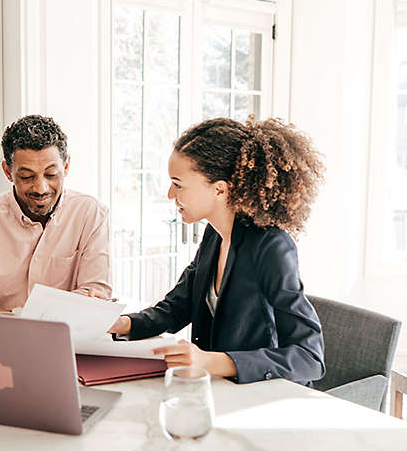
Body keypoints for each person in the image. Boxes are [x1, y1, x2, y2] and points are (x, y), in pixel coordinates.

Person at [109, 117, 325, 385]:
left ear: (220, 189)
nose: (169, 194)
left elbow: (309, 358)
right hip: (219, 391)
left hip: (262, 395)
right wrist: (121, 324)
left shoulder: (270, 246)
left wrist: (212, 362)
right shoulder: (215, 234)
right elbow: (178, 307)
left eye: (178, 184)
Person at [0, 114, 110, 313]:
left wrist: (3, 313)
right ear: (7, 171)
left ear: (66, 167)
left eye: (51, 174)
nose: (41, 188)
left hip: (64, 343)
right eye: (27, 176)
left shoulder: (91, 214)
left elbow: (96, 301)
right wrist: (64, 306)